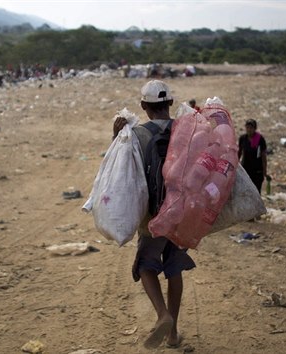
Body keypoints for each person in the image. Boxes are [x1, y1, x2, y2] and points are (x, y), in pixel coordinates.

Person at [113, 80, 196, 349]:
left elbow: (123, 171)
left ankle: (163, 315)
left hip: (152, 215)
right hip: (181, 212)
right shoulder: (187, 130)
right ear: (170, 103)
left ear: (144, 106)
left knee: (146, 265)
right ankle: (173, 334)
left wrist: (116, 137)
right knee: (174, 266)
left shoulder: (136, 134)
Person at [238, 119, 268, 194]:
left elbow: (263, 155)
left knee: (256, 191)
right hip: (246, 168)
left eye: (251, 128)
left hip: (257, 170)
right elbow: (239, 152)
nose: (249, 130)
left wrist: (264, 171)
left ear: (255, 128)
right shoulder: (243, 139)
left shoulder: (259, 139)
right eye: (247, 127)